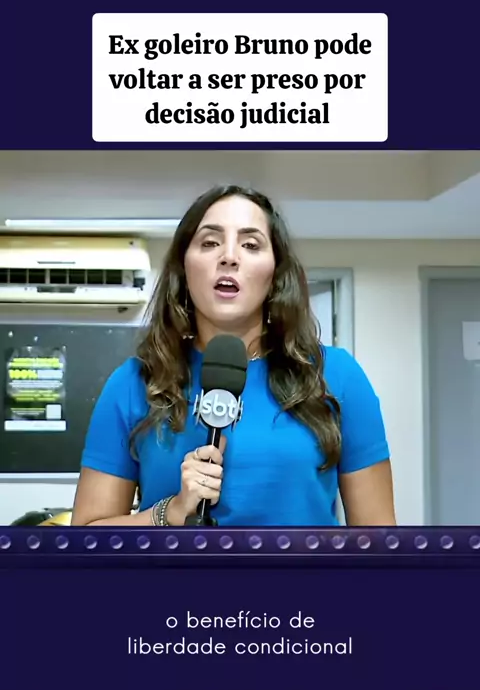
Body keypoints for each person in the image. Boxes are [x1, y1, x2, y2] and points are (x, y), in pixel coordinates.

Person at [72, 185, 396, 528]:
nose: (229, 257)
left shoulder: (337, 376)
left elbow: (377, 540)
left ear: (275, 274)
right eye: (210, 243)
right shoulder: (135, 382)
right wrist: (171, 512)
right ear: (184, 268)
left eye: (251, 245)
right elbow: (86, 539)